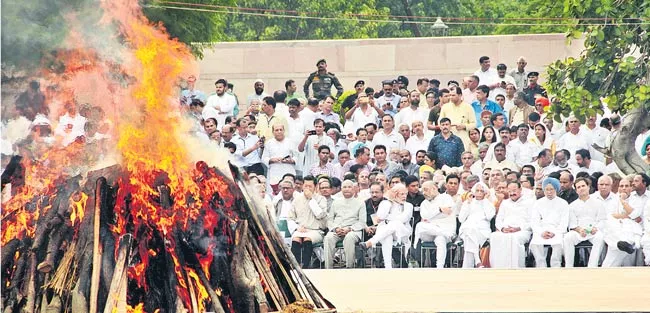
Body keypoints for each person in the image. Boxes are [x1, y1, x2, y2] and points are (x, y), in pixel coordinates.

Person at [358, 183, 414, 268]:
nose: (404, 196)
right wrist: (390, 204)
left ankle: (370, 242)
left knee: (395, 223)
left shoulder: (409, 206)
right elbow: (379, 217)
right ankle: (388, 267)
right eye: (401, 194)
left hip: (401, 233)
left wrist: (387, 218)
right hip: (385, 232)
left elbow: (403, 219)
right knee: (388, 236)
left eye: (405, 194)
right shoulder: (385, 203)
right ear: (395, 194)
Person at [563, 177, 606, 268]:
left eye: (583, 186)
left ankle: (592, 266)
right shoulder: (572, 206)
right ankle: (569, 266)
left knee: (600, 237)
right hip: (579, 231)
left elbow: (602, 220)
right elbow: (572, 223)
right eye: (578, 187)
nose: (581, 188)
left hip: (594, 231)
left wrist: (596, 228)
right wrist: (579, 230)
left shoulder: (598, 203)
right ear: (576, 190)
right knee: (567, 237)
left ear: (588, 187)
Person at [412, 181, 456, 268]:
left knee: (440, 239)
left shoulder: (446, 198)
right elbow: (425, 216)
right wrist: (439, 210)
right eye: (423, 191)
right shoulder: (424, 203)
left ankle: (439, 267)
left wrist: (433, 217)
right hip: (431, 232)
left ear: (434, 188)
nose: (424, 193)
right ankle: (447, 234)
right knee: (420, 225)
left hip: (445, 227)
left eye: (426, 190)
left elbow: (448, 211)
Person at [489, 181, 533, 268]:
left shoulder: (530, 202)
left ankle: (516, 268)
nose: (512, 193)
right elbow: (498, 220)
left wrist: (518, 228)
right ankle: (498, 267)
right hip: (505, 230)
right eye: (509, 191)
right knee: (494, 236)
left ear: (520, 190)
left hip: (522, 230)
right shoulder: (505, 203)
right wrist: (502, 229)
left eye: (514, 190)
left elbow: (532, 221)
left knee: (514, 238)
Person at [324, 180, 366, 269]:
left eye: (349, 187)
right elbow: (330, 220)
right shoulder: (336, 202)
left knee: (349, 238)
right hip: (337, 230)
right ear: (341, 189)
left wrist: (349, 229)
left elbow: (362, 222)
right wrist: (335, 228)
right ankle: (328, 268)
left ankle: (349, 267)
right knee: (328, 238)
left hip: (353, 230)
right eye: (344, 187)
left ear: (354, 189)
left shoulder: (360, 203)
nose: (347, 189)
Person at [529, 177, 570, 268]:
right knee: (535, 243)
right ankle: (541, 265)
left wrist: (555, 232)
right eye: (547, 189)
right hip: (542, 229)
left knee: (558, 242)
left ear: (556, 189)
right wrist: (541, 232)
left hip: (557, 230)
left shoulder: (563, 203)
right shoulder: (538, 203)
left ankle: (555, 265)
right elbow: (534, 221)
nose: (549, 192)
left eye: (551, 189)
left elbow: (564, 222)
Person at [289, 177, 328, 268]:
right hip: (301, 229)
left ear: (315, 187)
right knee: (296, 239)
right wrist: (296, 227)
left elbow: (320, 214)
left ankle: (305, 266)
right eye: (306, 186)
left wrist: (311, 199)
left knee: (307, 239)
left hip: (315, 230)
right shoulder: (297, 199)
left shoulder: (321, 199)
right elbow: (290, 218)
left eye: (310, 186)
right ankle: (296, 266)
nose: (308, 189)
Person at [458, 182, 496, 268]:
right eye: (477, 190)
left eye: (481, 191)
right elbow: (461, 219)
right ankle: (477, 260)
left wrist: (486, 200)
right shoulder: (468, 203)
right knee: (470, 229)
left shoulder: (489, 204)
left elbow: (489, 217)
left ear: (485, 192)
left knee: (469, 237)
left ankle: (468, 266)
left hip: (482, 231)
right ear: (473, 192)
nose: (479, 193)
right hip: (466, 228)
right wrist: (468, 204)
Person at [262, 124, 296, 192]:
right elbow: (264, 158)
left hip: (288, 170)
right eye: (277, 130)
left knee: (289, 190)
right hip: (275, 171)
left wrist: (291, 160)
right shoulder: (269, 143)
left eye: (281, 130)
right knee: (274, 192)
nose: (279, 132)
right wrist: (272, 160)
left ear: (284, 131)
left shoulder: (290, 142)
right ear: (273, 132)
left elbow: (297, 156)